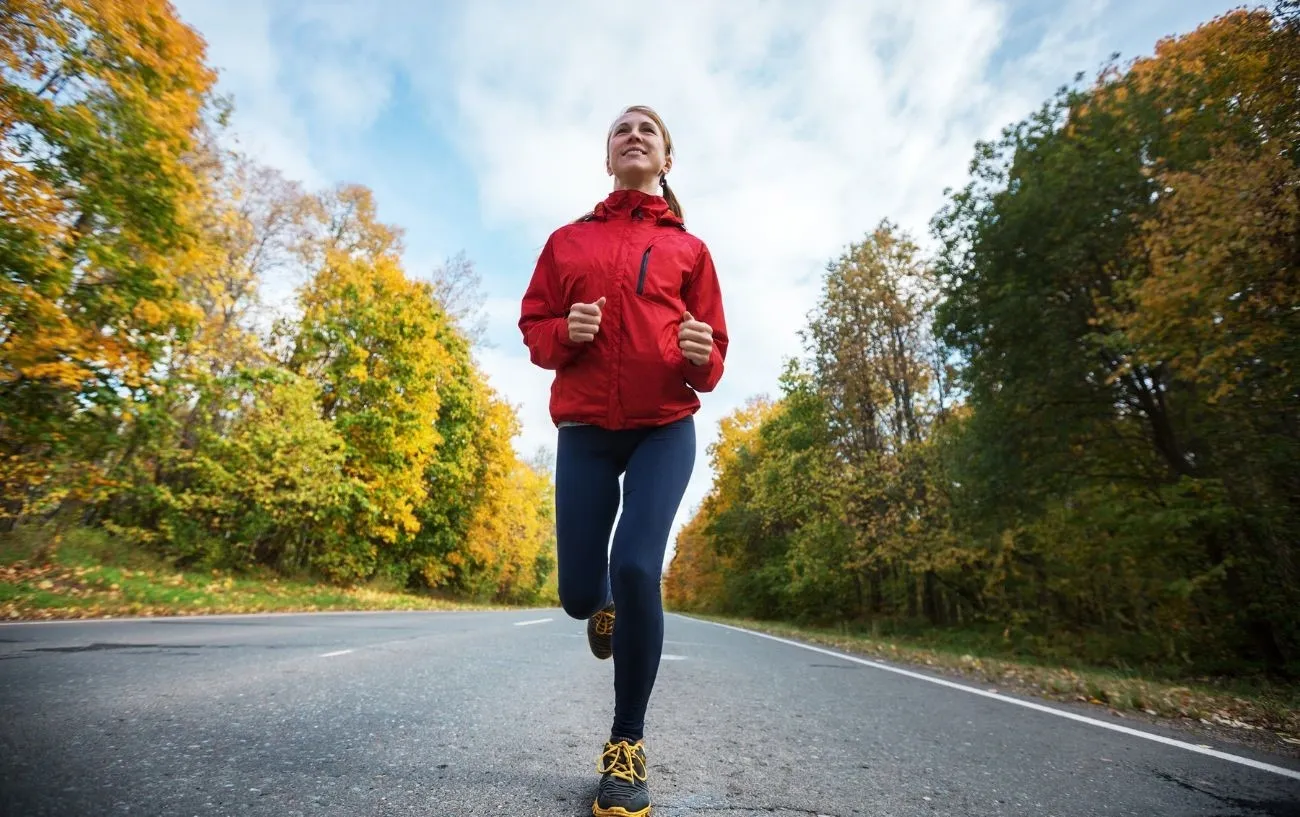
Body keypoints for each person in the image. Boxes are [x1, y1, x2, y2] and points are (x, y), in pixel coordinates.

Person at [518, 104, 728, 817]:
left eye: (648, 131)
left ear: (667, 160)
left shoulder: (691, 251)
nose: (633, 135)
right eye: (621, 130)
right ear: (607, 157)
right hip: (584, 424)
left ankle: (626, 745)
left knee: (638, 562)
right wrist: (564, 334)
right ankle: (600, 606)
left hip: (664, 425)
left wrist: (704, 357)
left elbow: (714, 353)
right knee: (582, 591)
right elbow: (534, 326)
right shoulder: (567, 241)